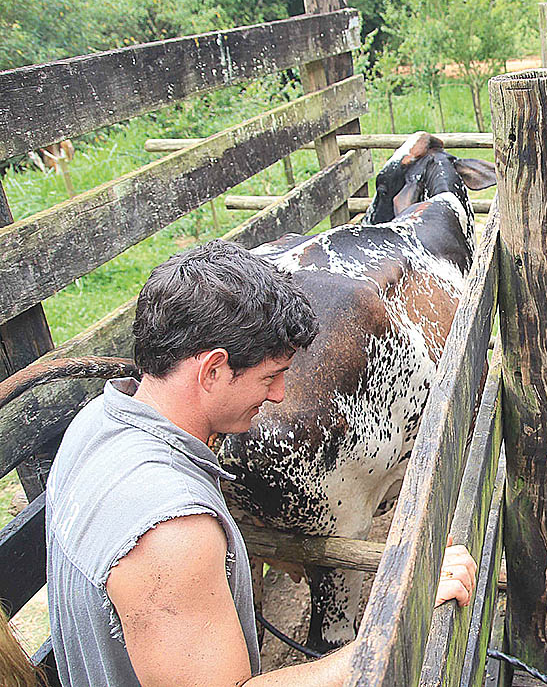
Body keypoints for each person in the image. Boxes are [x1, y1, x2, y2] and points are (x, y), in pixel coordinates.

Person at [45, 240, 477, 686]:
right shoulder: (170, 533)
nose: (279, 395)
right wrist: (403, 621)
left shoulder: (96, 423)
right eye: (269, 376)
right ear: (212, 370)